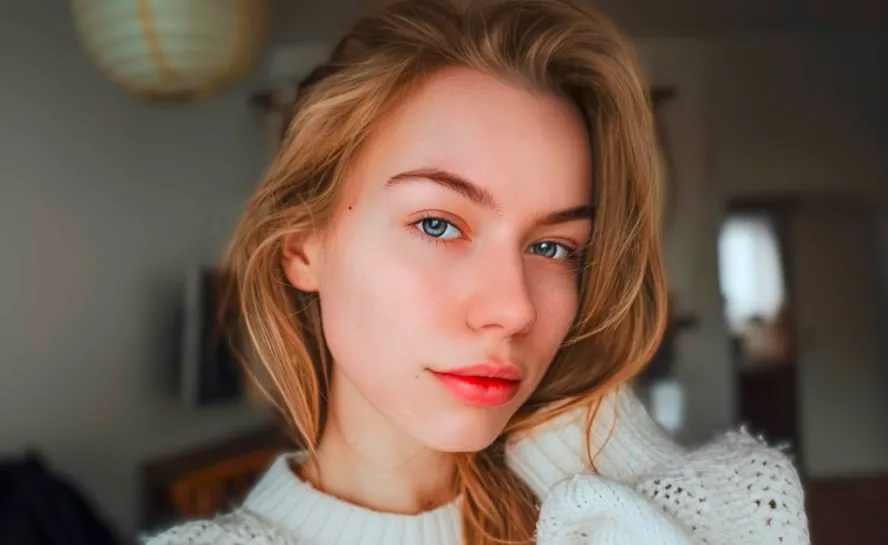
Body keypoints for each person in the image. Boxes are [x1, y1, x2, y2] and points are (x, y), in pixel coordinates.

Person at [148, 0, 809, 543]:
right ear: (302, 246)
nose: (517, 308)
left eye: (553, 246)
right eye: (438, 223)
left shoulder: (600, 523)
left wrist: (594, 443)